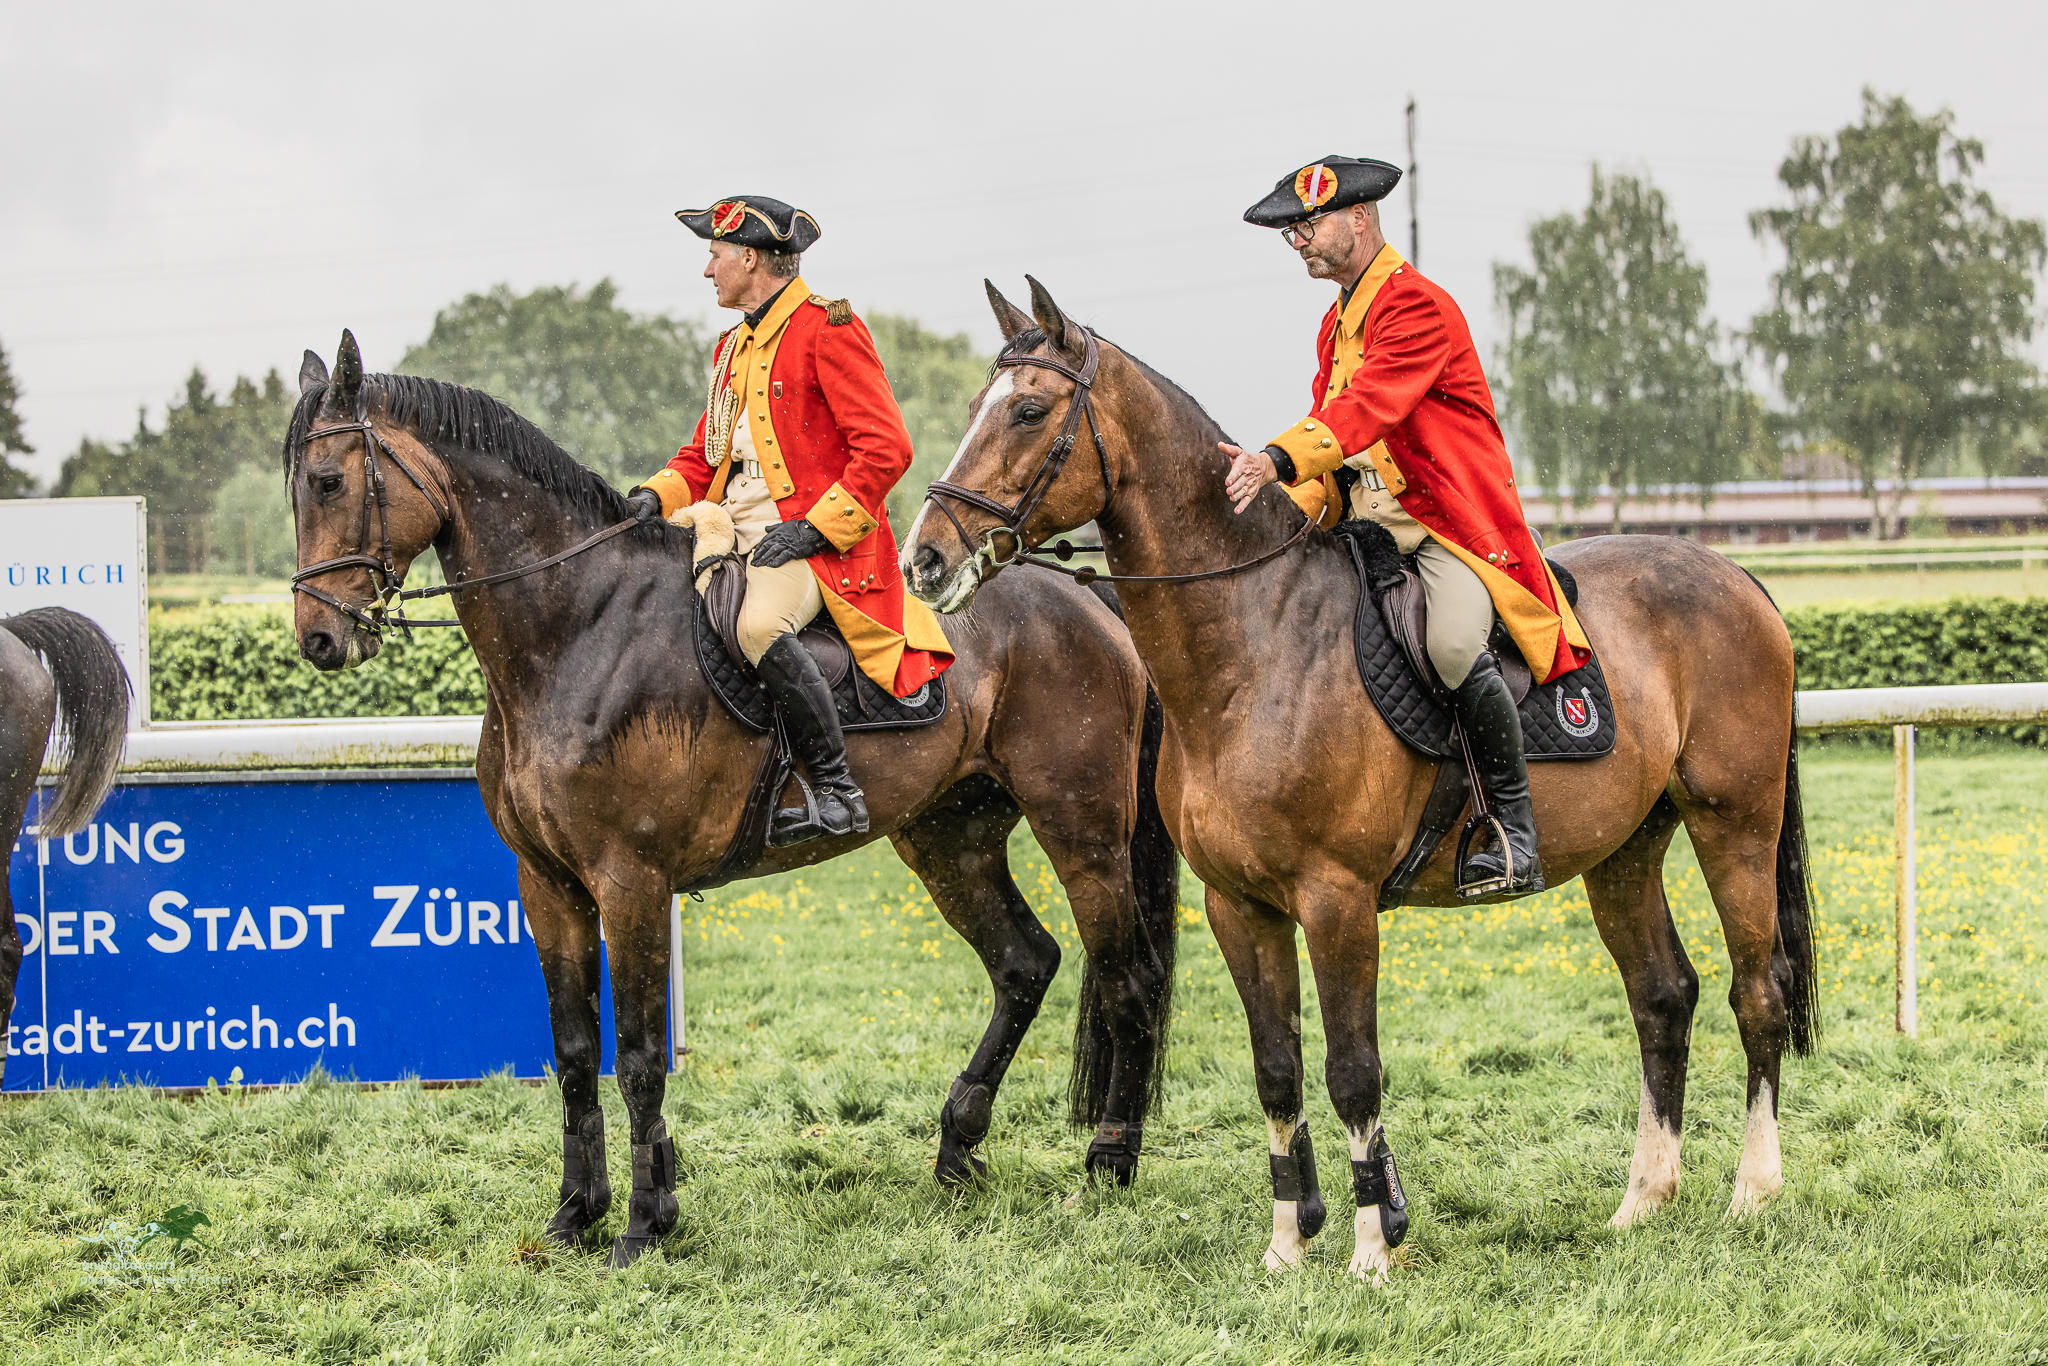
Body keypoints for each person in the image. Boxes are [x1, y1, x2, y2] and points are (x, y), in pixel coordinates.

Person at [1223, 157, 1591, 897]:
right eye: (1292, 233)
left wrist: (1276, 456)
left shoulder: (1417, 305)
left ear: (1360, 218)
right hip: (1368, 526)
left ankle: (1514, 834)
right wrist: (1260, 525)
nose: (1299, 242)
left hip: (1445, 524)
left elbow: (1366, 412)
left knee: (1452, 645)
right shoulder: (1336, 325)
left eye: (1309, 226)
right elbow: (1336, 450)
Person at [626, 195, 953, 847]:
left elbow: (887, 448)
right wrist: (650, 498)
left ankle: (836, 789)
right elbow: (704, 456)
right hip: (731, 530)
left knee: (756, 625)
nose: (707, 270)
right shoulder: (730, 350)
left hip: (815, 545)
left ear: (750, 257)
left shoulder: (826, 329)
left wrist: (815, 529)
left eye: (714, 256)